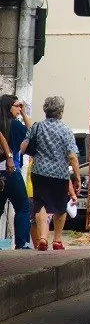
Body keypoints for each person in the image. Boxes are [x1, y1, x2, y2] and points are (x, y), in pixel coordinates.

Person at [21, 97, 81, 251]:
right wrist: (77, 176)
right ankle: (57, 240)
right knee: (60, 206)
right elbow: (72, 156)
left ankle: (42, 238)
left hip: (39, 172)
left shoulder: (37, 127)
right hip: (59, 174)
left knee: (40, 204)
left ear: (45, 111)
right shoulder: (66, 130)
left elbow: (24, 146)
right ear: (61, 112)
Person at [0, 95, 27, 249]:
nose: (19, 108)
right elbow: (31, 134)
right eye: (17, 106)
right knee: (23, 207)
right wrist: (24, 115)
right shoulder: (15, 125)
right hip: (11, 171)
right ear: (8, 106)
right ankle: (21, 244)